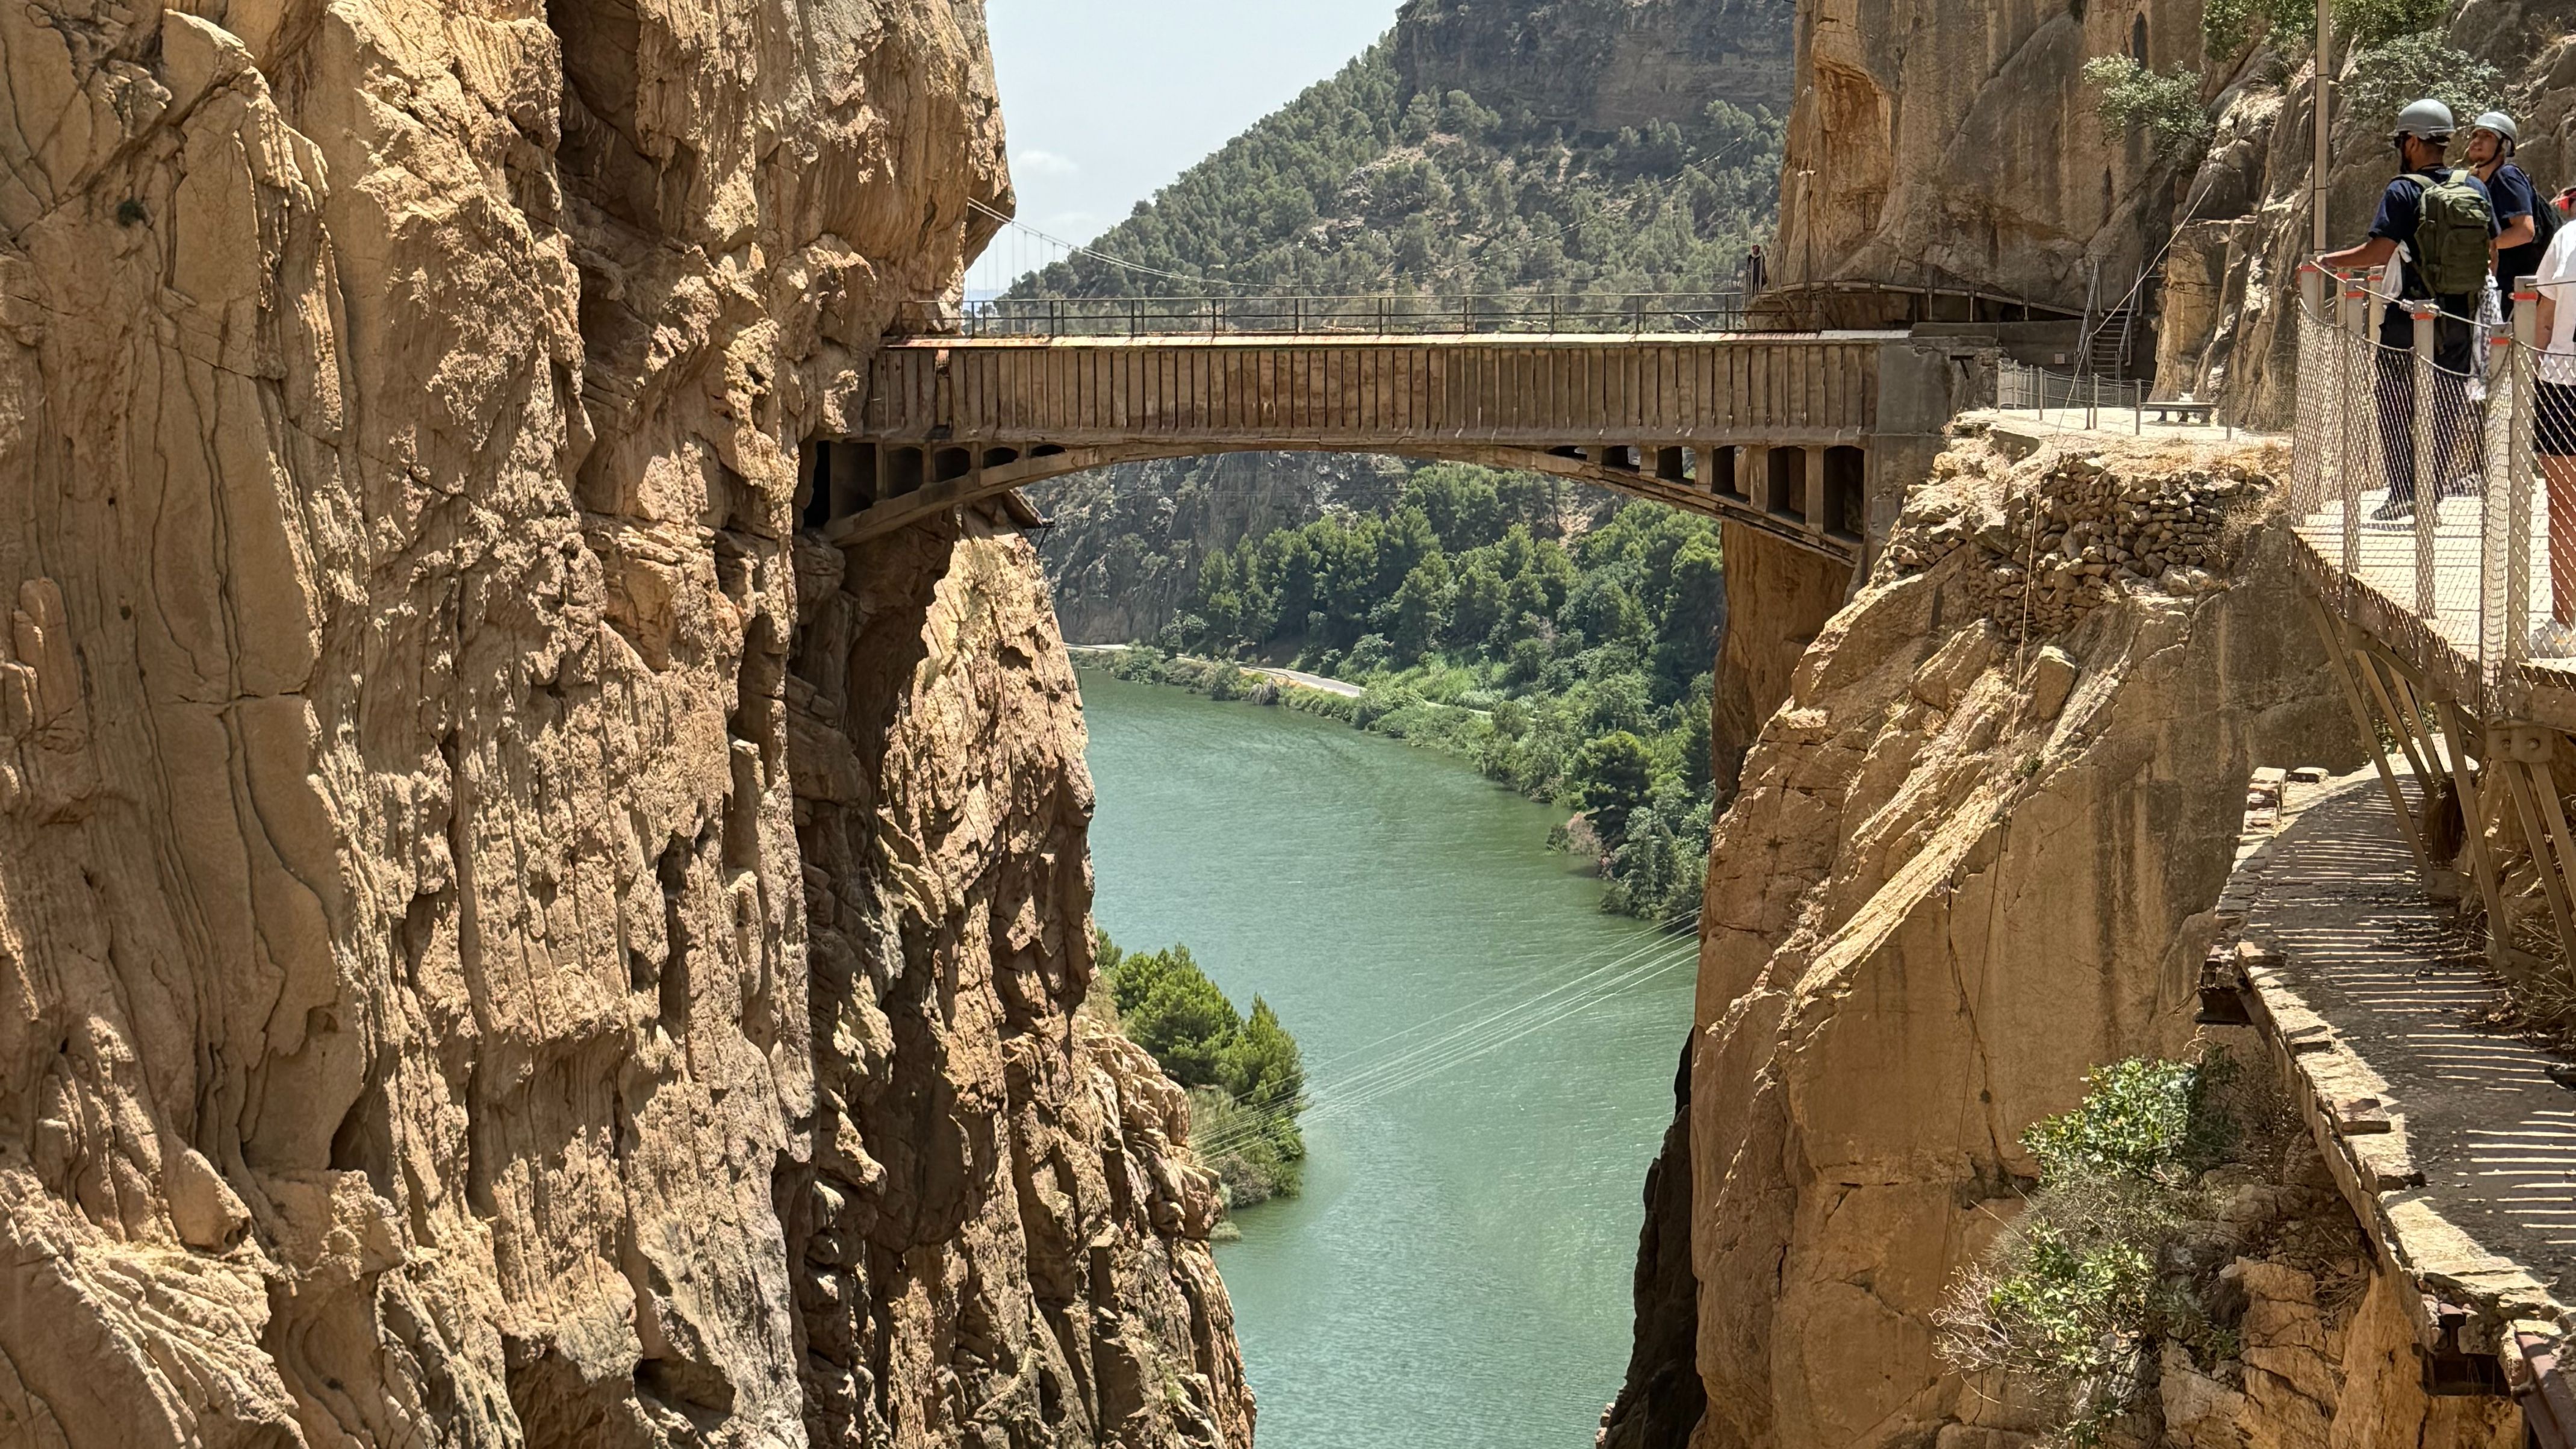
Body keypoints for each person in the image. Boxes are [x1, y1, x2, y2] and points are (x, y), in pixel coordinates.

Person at [2319, 99, 2500, 522]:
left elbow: (2379, 251)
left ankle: (2403, 491)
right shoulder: (2473, 187)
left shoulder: (2404, 189)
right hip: (2460, 315)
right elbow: (2490, 253)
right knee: (2447, 403)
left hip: (2409, 312)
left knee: (2396, 401)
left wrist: (2326, 263)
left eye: (2403, 140)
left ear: (2415, 141)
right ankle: (2432, 495)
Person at [2529, 197, 2576, 654]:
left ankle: (2565, 624)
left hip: (2564, 383)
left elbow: (2543, 320)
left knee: (2564, 507)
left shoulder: (2565, 238)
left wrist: (2529, 379)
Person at [2466, 111, 2542, 317]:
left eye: (2487, 136)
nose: (2477, 142)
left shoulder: (2507, 176)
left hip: (2520, 289)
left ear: (2504, 146)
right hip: (2505, 287)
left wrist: (2479, 248)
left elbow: (2525, 231)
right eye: (2475, 135)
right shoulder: (2481, 182)